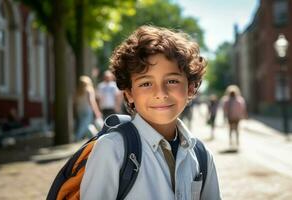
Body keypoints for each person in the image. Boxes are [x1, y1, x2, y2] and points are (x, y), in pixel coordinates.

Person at [81, 25, 221, 199]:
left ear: (191, 88)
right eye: (146, 83)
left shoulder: (202, 155)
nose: (160, 93)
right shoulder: (112, 149)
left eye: (172, 81)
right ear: (129, 94)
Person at [74, 76, 102, 141]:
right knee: (85, 124)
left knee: (84, 123)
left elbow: (75, 102)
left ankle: (92, 137)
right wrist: (97, 111)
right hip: (87, 109)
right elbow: (92, 102)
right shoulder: (89, 90)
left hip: (80, 109)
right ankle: (77, 137)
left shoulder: (78, 91)